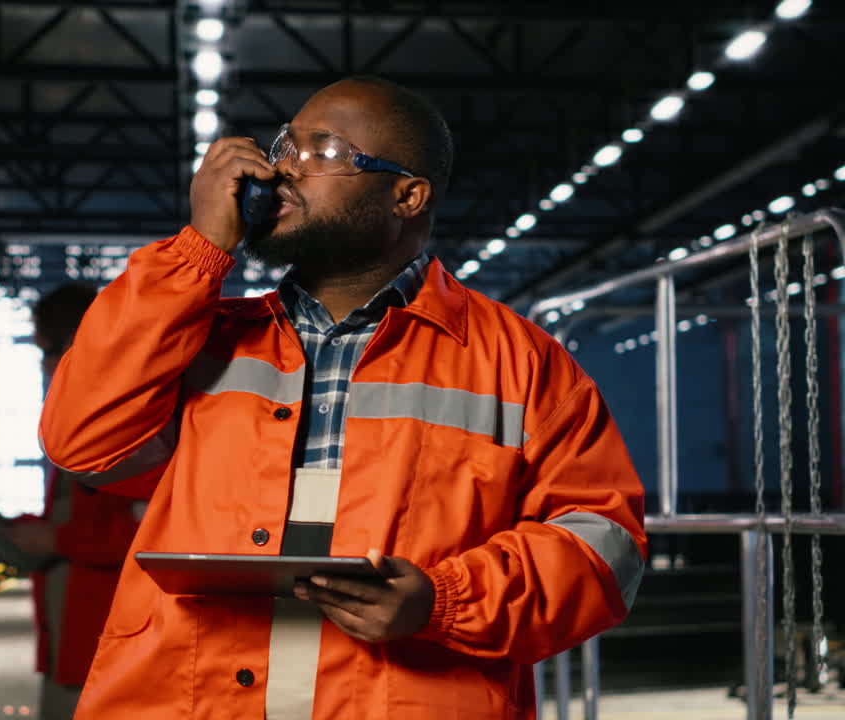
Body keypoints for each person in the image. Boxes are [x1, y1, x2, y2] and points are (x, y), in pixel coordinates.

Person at [39, 76, 646, 719]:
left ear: (407, 195)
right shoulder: (195, 337)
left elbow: (604, 546)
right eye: (285, 146)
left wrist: (444, 600)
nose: (283, 169)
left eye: (324, 151)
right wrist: (198, 252)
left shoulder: (521, 364)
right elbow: (80, 440)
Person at [4, 283, 143, 720]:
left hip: (108, 649)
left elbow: (150, 533)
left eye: (48, 349)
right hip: (73, 645)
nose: (44, 364)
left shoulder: (133, 422)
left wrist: (57, 540)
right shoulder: (82, 422)